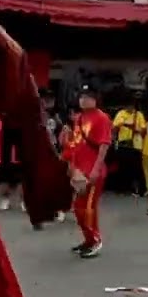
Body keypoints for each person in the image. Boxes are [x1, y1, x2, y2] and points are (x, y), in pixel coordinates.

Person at [65, 85, 111, 258]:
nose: (83, 100)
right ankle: (88, 239)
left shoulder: (102, 118)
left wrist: (95, 170)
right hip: (79, 171)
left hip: (93, 171)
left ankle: (95, 240)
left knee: (89, 208)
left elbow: (104, 146)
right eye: (82, 96)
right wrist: (71, 166)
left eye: (88, 97)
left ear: (95, 99)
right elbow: (74, 145)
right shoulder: (78, 118)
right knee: (77, 208)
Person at [111, 98, 147, 196]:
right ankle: (122, 189)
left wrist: (135, 129)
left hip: (136, 145)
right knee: (122, 167)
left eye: (131, 106)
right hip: (123, 144)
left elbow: (144, 130)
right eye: (127, 106)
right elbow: (114, 128)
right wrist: (121, 126)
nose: (129, 108)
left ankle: (141, 189)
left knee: (138, 168)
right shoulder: (120, 114)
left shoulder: (139, 115)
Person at [0, 110, 23, 211]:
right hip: (4, 152)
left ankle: (23, 201)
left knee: (21, 179)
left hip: (18, 151)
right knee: (4, 178)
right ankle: (5, 199)